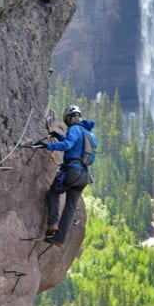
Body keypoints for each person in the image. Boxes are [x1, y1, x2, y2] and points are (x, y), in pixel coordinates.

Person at [32, 104, 96, 248]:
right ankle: (60, 239)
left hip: (72, 171)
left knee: (54, 193)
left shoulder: (74, 129)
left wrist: (48, 146)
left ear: (69, 118)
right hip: (84, 175)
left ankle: (53, 224)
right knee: (70, 207)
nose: (66, 123)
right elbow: (77, 146)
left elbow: (68, 145)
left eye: (66, 120)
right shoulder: (89, 133)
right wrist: (59, 136)